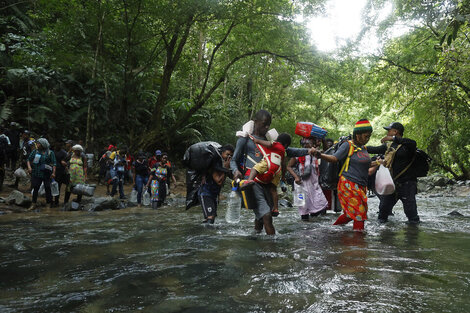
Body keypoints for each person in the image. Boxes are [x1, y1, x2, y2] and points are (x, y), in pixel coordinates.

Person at [230, 109, 315, 235]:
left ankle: (255, 239)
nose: (267, 127)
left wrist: (308, 151)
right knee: (267, 215)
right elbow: (234, 160)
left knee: (260, 217)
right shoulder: (246, 139)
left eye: (268, 124)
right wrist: (236, 171)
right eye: (264, 124)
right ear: (255, 121)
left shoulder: (270, 140)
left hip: (268, 183)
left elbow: (288, 151)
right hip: (253, 182)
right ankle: (272, 248)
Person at [313, 119, 373, 231]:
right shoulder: (347, 145)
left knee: (350, 214)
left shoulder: (363, 148)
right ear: (358, 135)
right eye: (366, 136)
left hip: (361, 186)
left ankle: (333, 229)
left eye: (369, 136)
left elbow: (368, 165)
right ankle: (358, 243)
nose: (368, 139)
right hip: (348, 184)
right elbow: (335, 158)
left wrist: (379, 163)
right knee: (359, 215)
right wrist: (320, 155)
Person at [367, 122, 420, 224]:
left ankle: (413, 236)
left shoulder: (408, 146)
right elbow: (374, 149)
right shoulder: (389, 146)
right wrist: (359, 145)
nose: (387, 133)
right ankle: (384, 237)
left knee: (412, 216)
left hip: (407, 185)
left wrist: (393, 138)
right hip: (392, 184)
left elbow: (413, 143)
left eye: (389, 130)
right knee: (382, 213)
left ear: (395, 132)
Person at [240, 133, 292, 217]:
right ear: (286, 144)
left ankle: (249, 180)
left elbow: (268, 144)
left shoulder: (276, 144)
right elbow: (283, 164)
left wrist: (257, 141)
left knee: (254, 169)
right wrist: (283, 177)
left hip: (269, 163)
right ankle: (275, 208)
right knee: (273, 189)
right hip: (277, 170)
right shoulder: (283, 151)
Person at [287, 137, 328, 220]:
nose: (306, 145)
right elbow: (288, 166)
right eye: (304, 143)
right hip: (300, 185)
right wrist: (296, 177)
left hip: (314, 186)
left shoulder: (317, 154)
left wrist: (323, 140)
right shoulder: (298, 154)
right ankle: (304, 228)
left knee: (320, 207)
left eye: (308, 143)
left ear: (313, 144)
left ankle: (315, 228)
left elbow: (327, 151)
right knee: (303, 208)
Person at [198, 144, 234, 224]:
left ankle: (204, 233)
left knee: (212, 218)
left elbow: (231, 177)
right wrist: (226, 169)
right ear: (222, 153)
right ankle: (204, 235)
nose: (229, 157)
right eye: (227, 154)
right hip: (205, 193)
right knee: (210, 217)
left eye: (231, 156)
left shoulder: (224, 165)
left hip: (214, 195)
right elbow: (219, 181)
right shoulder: (214, 164)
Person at [27, 138, 56, 209]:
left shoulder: (50, 152)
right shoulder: (35, 151)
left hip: (46, 174)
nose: (37, 144)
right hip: (36, 173)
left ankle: (48, 204)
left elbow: (54, 163)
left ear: (43, 144)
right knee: (36, 187)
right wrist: (29, 167)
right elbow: (28, 159)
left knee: (47, 188)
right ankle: (33, 203)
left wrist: (53, 173)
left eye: (38, 143)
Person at [53, 140, 69, 206]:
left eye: (59, 145)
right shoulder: (52, 152)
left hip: (62, 172)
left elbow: (67, 161)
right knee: (56, 187)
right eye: (57, 145)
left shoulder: (64, 153)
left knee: (64, 186)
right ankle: (56, 201)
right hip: (55, 172)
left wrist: (64, 164)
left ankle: (64, 201)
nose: (58, 146)